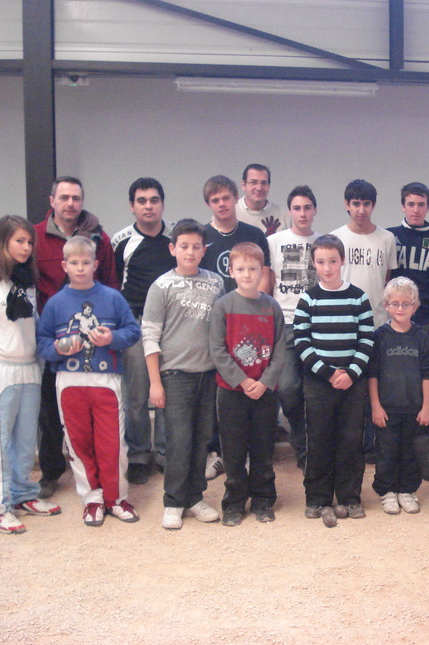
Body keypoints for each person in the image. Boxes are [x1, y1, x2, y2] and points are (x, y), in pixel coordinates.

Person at [0, 215, 62, 534]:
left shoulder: (25, 281)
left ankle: (21, 495)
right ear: (3, 241)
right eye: (20, 240)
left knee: (24, 442)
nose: (27, 247)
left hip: (28, 369)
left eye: (30, 242)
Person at [36, 236, 141, 527]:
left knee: (112, 443)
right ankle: (92, 499)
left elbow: (132, 332)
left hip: (106, 379)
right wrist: (58, 348)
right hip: (69, 380)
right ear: (64, 265)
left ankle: (116, 497)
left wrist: (112, 338)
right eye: (74, 263)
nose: (80, 268)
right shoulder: (56, 303)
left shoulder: (112, 297)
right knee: (78, 443)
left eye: (85, 263)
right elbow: (42, 342)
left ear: (95, 264)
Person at [33, 176, 118, 499]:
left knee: (94, 408)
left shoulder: (99, 237)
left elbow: (111, 284)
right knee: (50, 408)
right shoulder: (36, 238)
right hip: (52, 338)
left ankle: (99, 474)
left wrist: (104, 330)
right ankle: (52, 471)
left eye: (76, 198)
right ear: (52, 200)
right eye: (64, 197)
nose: (70, 203)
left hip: (91, 341)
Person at [142, 219, 224, 530]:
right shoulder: (161, 286)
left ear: (204, 250)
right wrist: (155, 382)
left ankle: (194, 498)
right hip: (174, 375)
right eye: (184, 246)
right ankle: (173, 502)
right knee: (178, 440)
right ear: (172, 248)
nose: (190, 252)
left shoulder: (216, 282)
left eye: (196, 246)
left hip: (208, 374)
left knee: (202, 439)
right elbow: (149, 335)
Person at [293, 234, 374, 519]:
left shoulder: (358, 297)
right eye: (321, 262)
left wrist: (351, 373)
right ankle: (317, 498)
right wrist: (328, 373)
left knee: (351, 440)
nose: (327, 267)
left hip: (353, 383)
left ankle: (350, 497)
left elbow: (367, 340)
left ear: (342, 261)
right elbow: (301, 341)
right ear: (313, 264)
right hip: (319, 382)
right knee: (319, 440)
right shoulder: (308, 299)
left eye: (333, 261)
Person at [200, 174, 273, 480]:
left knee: (252, 395)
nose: (221, 204)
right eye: (215, 200)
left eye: (226, 198)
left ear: (235, 199)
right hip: (217, 319)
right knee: (221, 392)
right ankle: (218, 453)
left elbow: (266, 274)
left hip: (252, 320)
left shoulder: (252, 233)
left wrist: (262, 306)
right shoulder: (203, 235)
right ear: (209, 204)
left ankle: (255, 469)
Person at [210, 243, 286, 526]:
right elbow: (217, 350)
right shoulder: (223, 306)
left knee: (263, 448)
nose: (247, 274)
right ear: (231, 271)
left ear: (262, 271)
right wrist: (242, 381)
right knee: (233, 450)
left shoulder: (271, 306)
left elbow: (280, 350)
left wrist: (265, 382)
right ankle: (234, 502)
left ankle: (264, 499)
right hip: (232, 392)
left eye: (252, 269)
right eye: (240, 269)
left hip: (265, 392)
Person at [111, 177, 176, 485]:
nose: (148, 206)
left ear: (162, 203)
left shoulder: (176, 237)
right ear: (131, 206)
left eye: (154, 200)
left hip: (172, 326)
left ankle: (164, 452)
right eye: (141, 201)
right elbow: (112, 287)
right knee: (136, 395)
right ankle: (138, 454)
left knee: (167, 394)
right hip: (135, 326)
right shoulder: (121, 241)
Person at [331, 179, 397, 461]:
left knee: (376, 384)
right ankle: (348, 446)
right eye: (355, 203)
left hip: (378, 324)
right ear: (347, 204)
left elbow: (388, 279)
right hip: (343, 326)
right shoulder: (336, 239)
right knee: (348, 388)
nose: (361, 209)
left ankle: (372, 446)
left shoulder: (386, 239)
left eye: (366, 204)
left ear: (373, 205)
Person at [387, 182, 429, 458]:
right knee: (400, 386)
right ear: (403, 205)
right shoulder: (389, 237)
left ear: (428, 207)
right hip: (397, 325)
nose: (415, 209)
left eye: (420, 204)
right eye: (410, 204)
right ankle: (394, 443)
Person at [368, 277, 429, 515]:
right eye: (394, 304)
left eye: (406, 304)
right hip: (386, 408)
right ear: (386, 305)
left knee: (410, 452)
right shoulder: (380, 336)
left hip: (414, 408)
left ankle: (407, 490)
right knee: (386, 452)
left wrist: (426, 407)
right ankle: (386, 491)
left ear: (415, 306)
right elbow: (372, 374)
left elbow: (428, 374)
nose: (400, 309)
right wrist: (375, 405)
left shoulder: (421, 337)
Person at [267, 185, 320, 468]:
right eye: (297, 208)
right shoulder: (274, 241)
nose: (302, 213)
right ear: (290, 211)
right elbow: (268, 282)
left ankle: (311, 451)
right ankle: (300, 441)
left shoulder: (325, 241)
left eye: (307, 207)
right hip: (286, 324)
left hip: (317, 325)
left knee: (315, 391)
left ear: (314, 210)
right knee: (287, 388)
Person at [236, 163, 290, 235]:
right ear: (243, 185)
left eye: (264, 183)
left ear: (269, 186)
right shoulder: (231, 213)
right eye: (253, 182)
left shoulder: (284, 215)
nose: (259, 188)